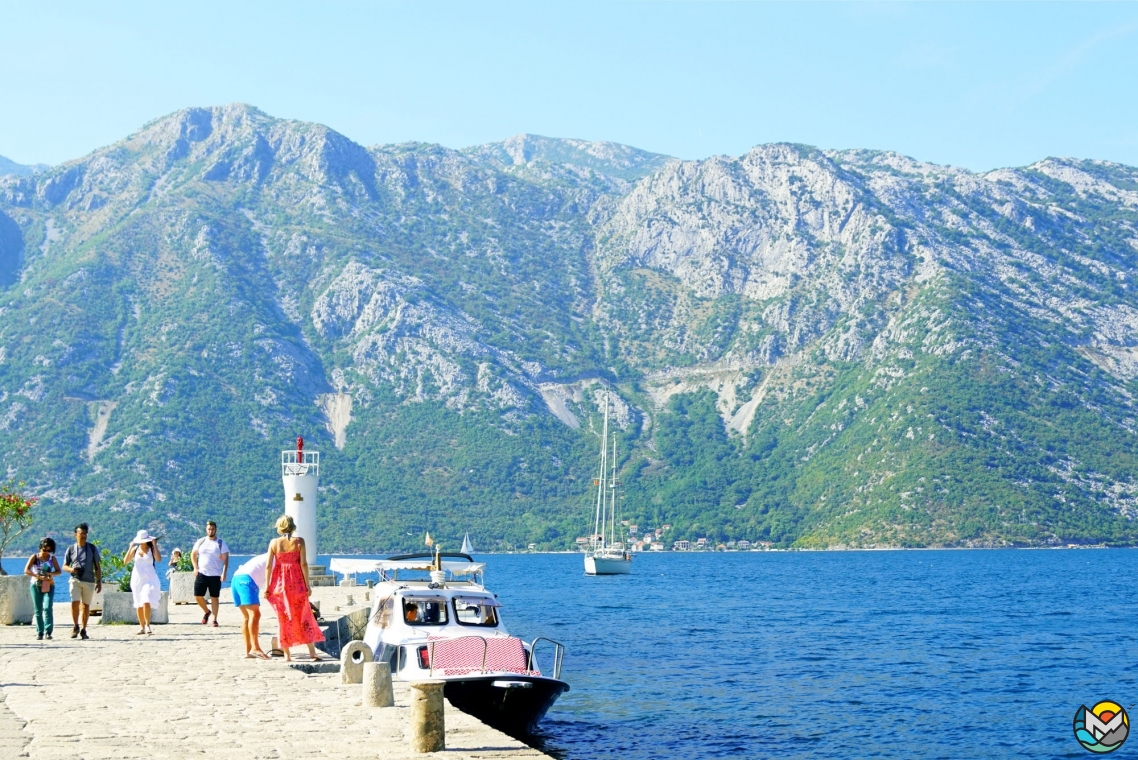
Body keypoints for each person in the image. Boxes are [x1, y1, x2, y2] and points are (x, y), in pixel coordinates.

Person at [264, 515, 325, 662]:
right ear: (292, 526)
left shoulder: (274, 543)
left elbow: (268, 566)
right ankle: (312, 652)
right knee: (304, 616)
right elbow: (303, 564)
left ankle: (287, 655)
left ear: (279, 527)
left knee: (283, 618)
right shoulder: (299, 542)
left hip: (280, 585)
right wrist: (307, 585)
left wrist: (267, 587)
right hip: (297, 584)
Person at [61, 523, 101, 640]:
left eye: (85, 533)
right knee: (75, 602)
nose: (83, 535)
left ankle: (84, 629)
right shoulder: (71, 549)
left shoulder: (92, 548)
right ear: (75, 534)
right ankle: (75, 626)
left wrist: (99, 581)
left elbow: (97, 566)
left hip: (89, 581)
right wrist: (72, 569)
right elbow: (64, 566)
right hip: (75, 579)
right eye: (81, 533)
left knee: (86, 605)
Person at [231, 552, 270, 659]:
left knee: (247, 617)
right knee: (255, 615)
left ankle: (248, 651)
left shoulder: (265, 556)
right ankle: (255, 648)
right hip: (246, 580)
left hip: (236, 578)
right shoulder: (276, 558)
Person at [124, 530, 162, 636]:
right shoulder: (135, 549)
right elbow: (125, 561)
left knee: (146, 600)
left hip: (149, 578)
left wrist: (154, 545)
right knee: (138, 604)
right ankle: (141, 626)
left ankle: (148, 625)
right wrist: (130, 548)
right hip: (137, 579)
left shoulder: (151, 549)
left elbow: (159, 559)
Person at [191, 521, 229, 627]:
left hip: (215, 574)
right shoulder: (201, 541)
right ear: (206, 529)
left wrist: (224, 573)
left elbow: (226, 559)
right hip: (202, 573)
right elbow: (193, 554)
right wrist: (195, 567)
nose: (210, 531)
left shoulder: (220, 543)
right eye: (209, 529)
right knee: (198, 596)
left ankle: (215, 619)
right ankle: (207, 612)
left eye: (212, 529)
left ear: (215, 529)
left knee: (214, 598)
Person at [23, 537, 60, 640]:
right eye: (44, 550)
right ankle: (40, 632)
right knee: (38, 609)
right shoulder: (34, 557)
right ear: (40, 548)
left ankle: (48, 631)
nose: (46, 552)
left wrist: (50, 573)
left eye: (49, 550)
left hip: (49, 585)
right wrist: (38, 576)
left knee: (48, 607)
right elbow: (26, 570)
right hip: (35, 585)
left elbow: (58, 571)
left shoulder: (52, 558)